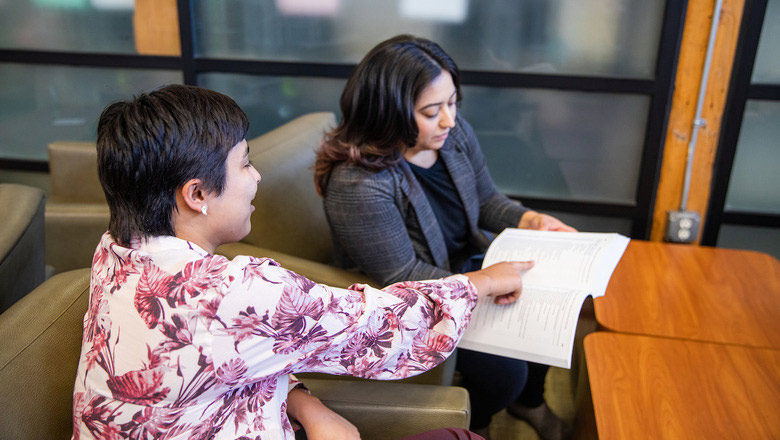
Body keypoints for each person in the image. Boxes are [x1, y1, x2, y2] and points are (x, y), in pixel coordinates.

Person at [71, 84, 530, 440]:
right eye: (245, 164)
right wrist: (480, 282)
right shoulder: (236, 291)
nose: (257, 177)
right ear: (196, 194)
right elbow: (385, 326)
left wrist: (303, 400)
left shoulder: (117, 249)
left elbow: (219, 352)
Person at [314, 35, 575, 440]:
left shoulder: (451, 136)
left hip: (468, 266)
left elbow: (486, 199)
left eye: (452, 103)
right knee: (504, 371)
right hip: (416, 295)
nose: (449, 120)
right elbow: (402, 274)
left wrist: (531, 219)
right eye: (432, 111)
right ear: (388, 112)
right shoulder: (358, 181)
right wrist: (483, 286)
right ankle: (481, 422)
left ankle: (530, 403)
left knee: (546, 307)